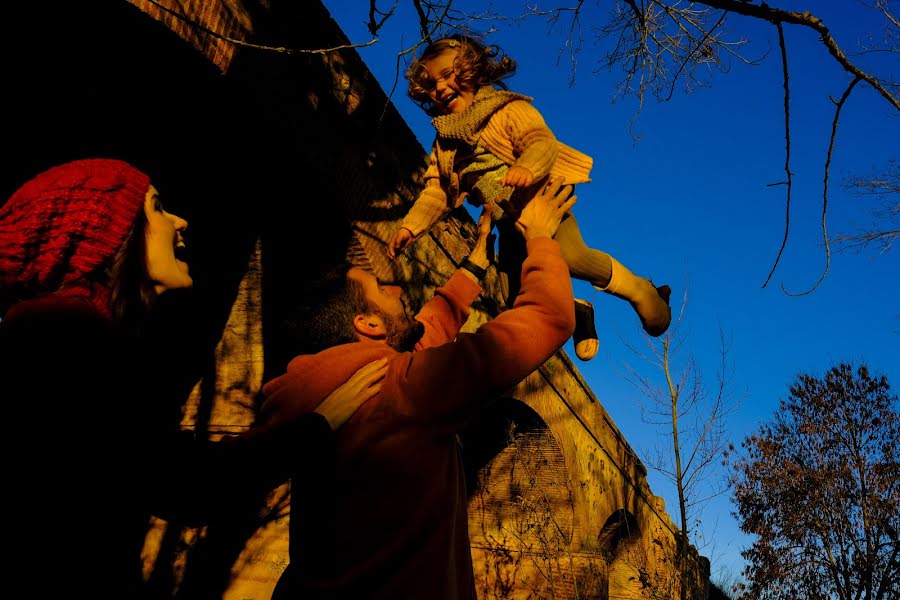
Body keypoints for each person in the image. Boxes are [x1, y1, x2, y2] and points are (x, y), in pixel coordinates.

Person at [0, 158, 387, 598]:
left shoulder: (84, 334)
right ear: (107, 233)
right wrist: (317, 425)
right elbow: (184, 480)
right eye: (158, 207)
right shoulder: (61, 336)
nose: (181, 222)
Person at [261, 177, 578, 599]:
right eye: (380, 291)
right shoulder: (404, 389)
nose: (394, 287)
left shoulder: (312, 394)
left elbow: (420, 338)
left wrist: (475, 262)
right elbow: (549, 317)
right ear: (368, 324)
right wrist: (540, 237)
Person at [387, 34, 672, 361]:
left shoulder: (506, 109)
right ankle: (577, 311)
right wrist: (411, 227)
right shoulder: (446, 141)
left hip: (543, 200)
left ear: (473, 71)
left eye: (448, 75)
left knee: (571, 256)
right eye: (431, 84)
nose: (440, 87)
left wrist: (528, 165)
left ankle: (641, 290)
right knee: (512, 298)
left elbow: (541, 141)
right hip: (508, 220)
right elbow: (437, 188)